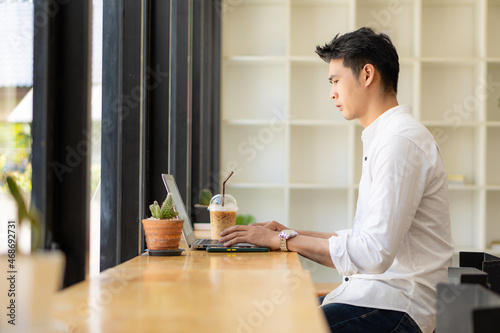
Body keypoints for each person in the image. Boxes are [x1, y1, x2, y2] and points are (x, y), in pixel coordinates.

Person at [219, 27, 454, 333]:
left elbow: (372, 254)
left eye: (335, 80)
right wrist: (287, 232)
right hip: (378, 298)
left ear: (367, 75)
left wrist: (283, 241)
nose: (331, 92)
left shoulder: (400, 141)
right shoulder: (386, 137)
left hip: (397, 308)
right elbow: (361, 243)